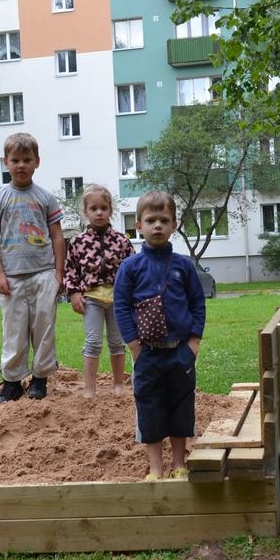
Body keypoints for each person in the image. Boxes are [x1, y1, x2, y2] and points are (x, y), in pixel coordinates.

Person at [113, 190, 206, 480]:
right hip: (147, 354)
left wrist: (193, 342)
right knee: (150, 407)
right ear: (137, 225)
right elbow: (122, 306)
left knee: (181, 406)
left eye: (164, 220)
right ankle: (155, 468)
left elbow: (197, 303)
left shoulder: (184, 266)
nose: (157, 226)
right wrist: (134, 347)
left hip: (180, 351)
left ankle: (179, 464)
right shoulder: (130, 267)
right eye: (150, 220)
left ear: (174, 225)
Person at [0, 132, 66, 405]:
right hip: (12, 277)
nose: (21, 165)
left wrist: (58, 273)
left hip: (43, 273)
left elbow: (57, 236)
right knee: (14, 331)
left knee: (44, 328)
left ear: (37, 162)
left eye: (26, 160)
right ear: (6, 162)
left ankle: (40, 379)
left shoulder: (45, 198)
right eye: (15, 160)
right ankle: (12, 383)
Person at [63, 184, 135, 398]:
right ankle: (89, 388)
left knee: (117, 341)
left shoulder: (122, 241)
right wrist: (74, 293)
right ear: (86, 212)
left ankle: (119, 384)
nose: (99, 212)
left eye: (103, 207)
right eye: (93, 208)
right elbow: (70, 270)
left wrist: (132, 296)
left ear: (110, 210)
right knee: (93, 342)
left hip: (118, 300)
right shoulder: (77, 242)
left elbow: (133, 269)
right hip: (91, 300)